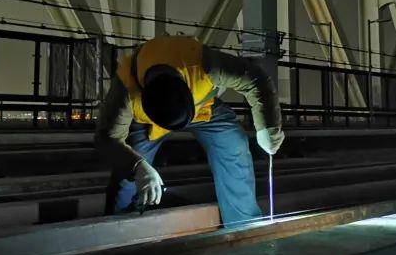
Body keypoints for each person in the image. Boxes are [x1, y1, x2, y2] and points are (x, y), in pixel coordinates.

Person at [95, 34, 284, 227]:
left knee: (233, 145)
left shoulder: (203, 64)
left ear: (185, 84)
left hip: (201, 108)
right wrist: (137, 166)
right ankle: (117, 227)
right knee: (127, 173)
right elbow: (107, 137)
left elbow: (255, 78)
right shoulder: (125, 87)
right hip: (149, 123)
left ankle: (244, 224)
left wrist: (267, 127)